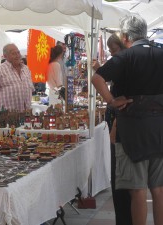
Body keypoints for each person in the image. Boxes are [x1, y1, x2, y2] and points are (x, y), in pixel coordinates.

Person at [92, 15, 163, 225]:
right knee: (159, 188)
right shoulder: (161, 52)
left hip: (132, 130)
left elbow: (97, 78)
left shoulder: (126, 56)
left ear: (125, 36)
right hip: (160, 128)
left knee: (138, 189)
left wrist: (112, 100)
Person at [92, 32, 132, 225]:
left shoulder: (123, 60)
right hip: (128, 122)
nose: (112, 53)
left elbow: (97, 79)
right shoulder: (132, 59)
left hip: (121, 121)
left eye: (113, 50)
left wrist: (111, 101)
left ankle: (124, 219)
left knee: (123, 177)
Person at [0, 43, 34, 112]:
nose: (18, 55)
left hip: (26, 116)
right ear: (5, 56)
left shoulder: (26, 69)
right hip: (5, 117)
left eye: (18, 52)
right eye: (13, 53)